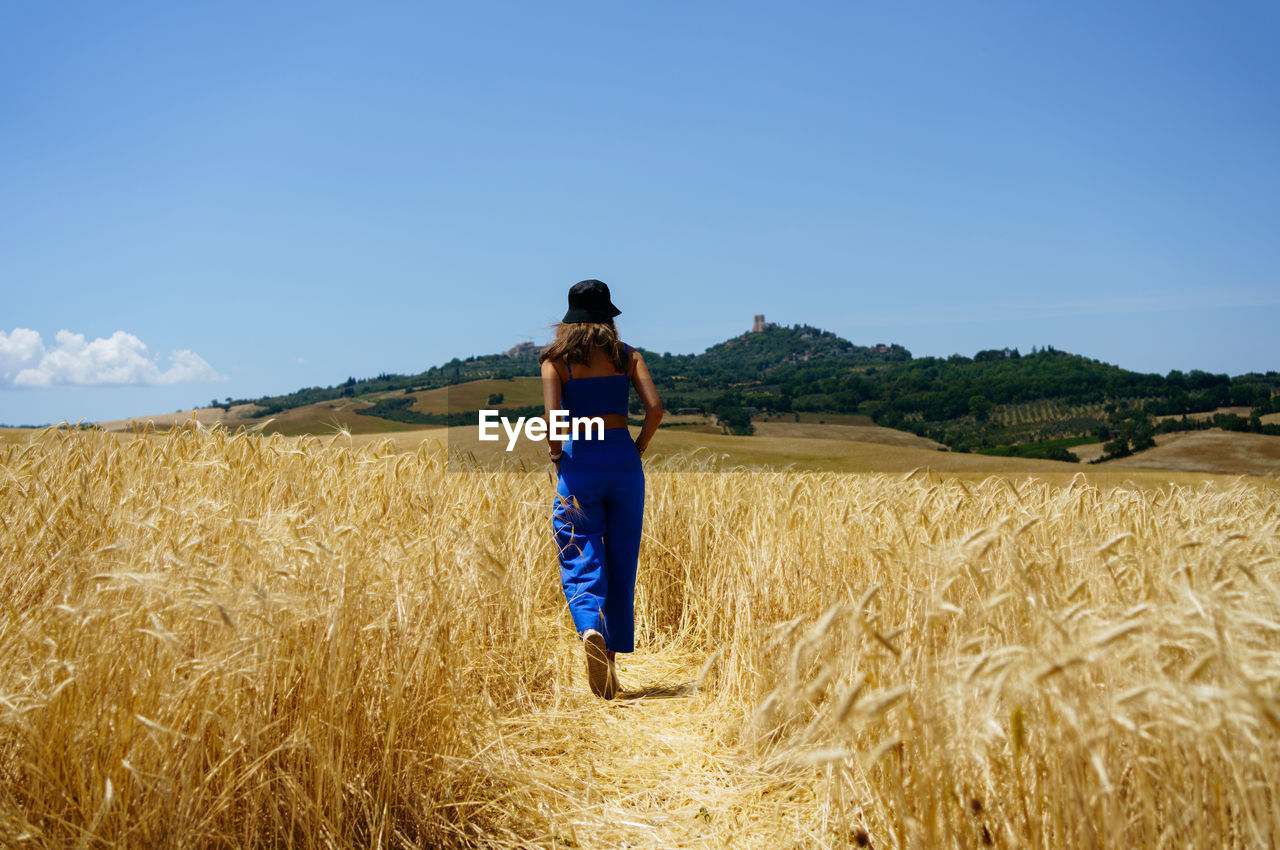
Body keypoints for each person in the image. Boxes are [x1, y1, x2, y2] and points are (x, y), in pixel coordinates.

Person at [540, 279, 663, 699]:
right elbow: (655, 409)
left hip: (580, 465)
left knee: (577, 546)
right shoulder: (628, 357)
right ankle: (609, 665)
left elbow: (555, 424)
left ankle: (590, 623)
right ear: (609, 318)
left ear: (569, 321)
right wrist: (639, 446)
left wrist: (559, 457)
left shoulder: (555, 362)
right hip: (624, 463)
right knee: (621, 560)